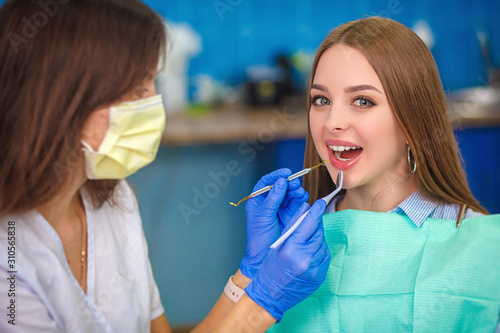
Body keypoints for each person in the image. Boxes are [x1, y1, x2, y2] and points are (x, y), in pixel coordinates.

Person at [0, 0, 330, 332]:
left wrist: (250, 274)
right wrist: (264, 303)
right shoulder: (8, 258)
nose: (154, 102)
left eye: (153, 82)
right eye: (136, 88)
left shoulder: (113, 200)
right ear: (61, 97)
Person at [266, 16, 500, 332]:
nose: (332, 122)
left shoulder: (480, 247)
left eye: (363, 101)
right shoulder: (288, 245)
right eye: (321, 100)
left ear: (413, 117)